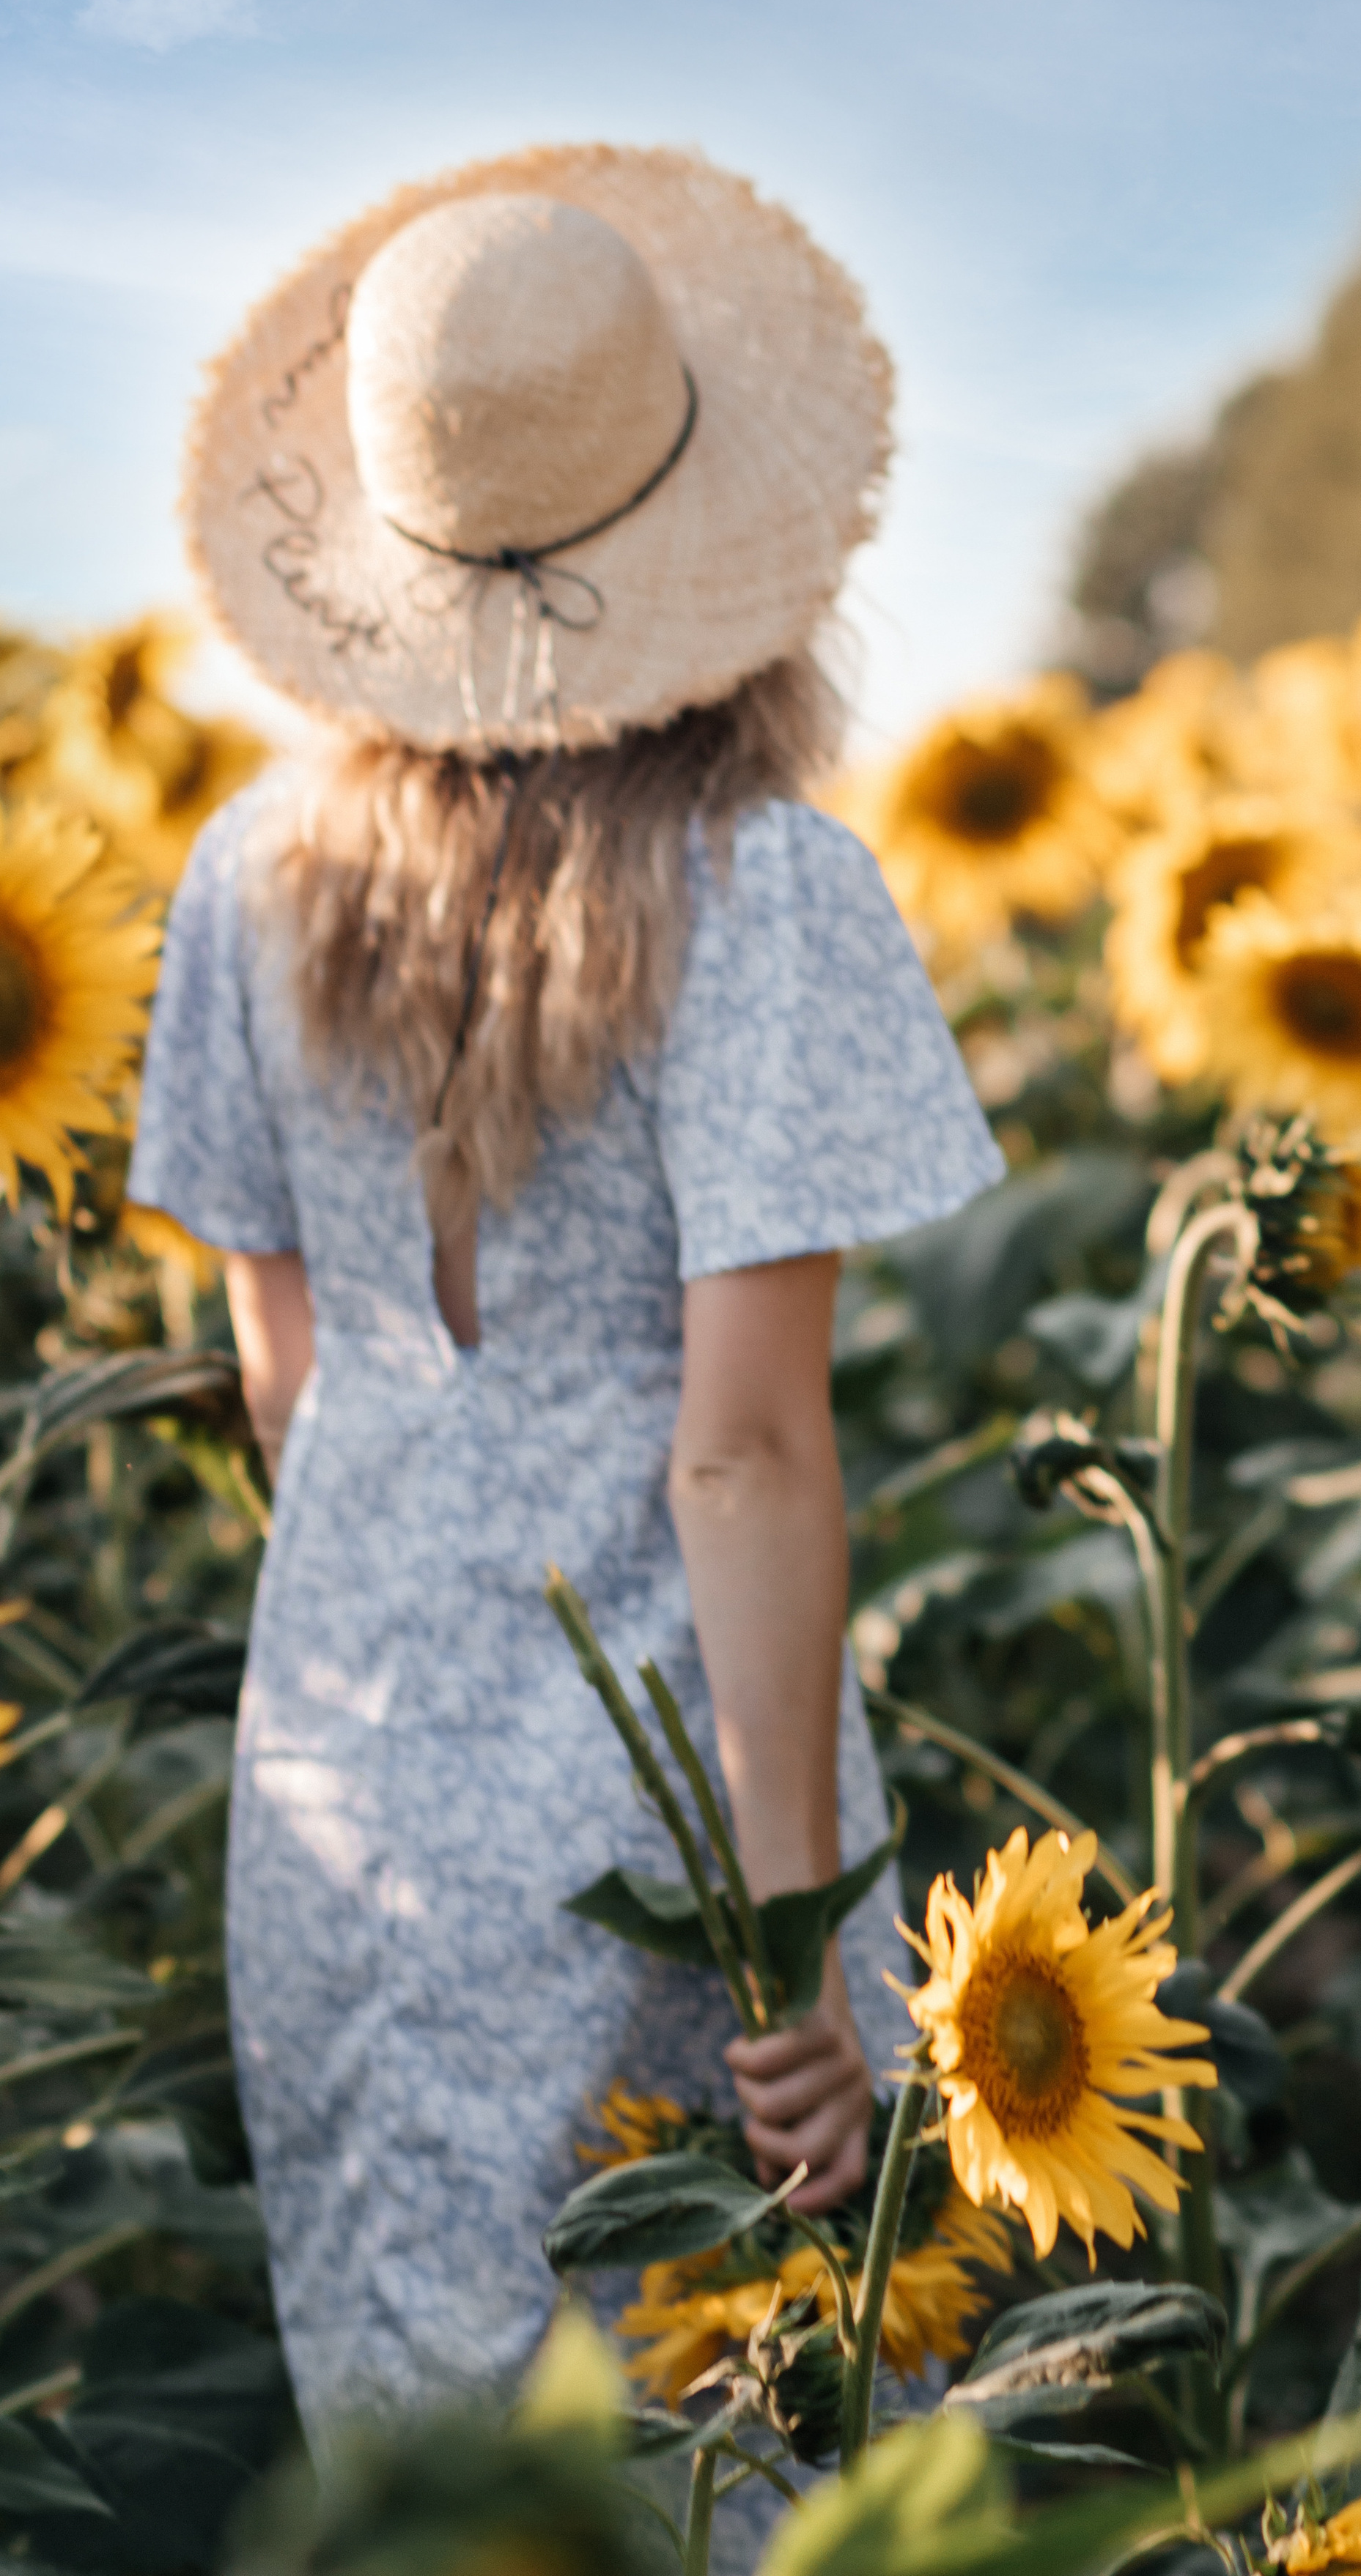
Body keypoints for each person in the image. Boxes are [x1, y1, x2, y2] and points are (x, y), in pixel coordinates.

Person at [128, 146, 1003, 2454]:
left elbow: (283, 1376)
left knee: (433, 2473)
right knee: (746, 2449)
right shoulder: (765, 896)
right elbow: (740, 1450)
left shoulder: (242, 882)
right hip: (653, 1804)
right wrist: (796, 1931)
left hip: (333, 1790)